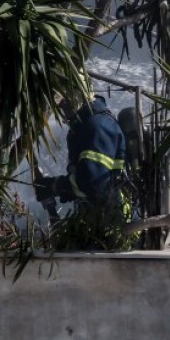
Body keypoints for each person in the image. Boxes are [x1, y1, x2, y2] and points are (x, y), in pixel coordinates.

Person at [34, 94, 129, 241]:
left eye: (66, 105)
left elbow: (93, 183)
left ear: (80, 99)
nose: (64, 112)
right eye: (61, 106)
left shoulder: (96, 127)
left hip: (110, 224)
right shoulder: (85, 125)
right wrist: (68, 190)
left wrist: (56, 186)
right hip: (99, 220)